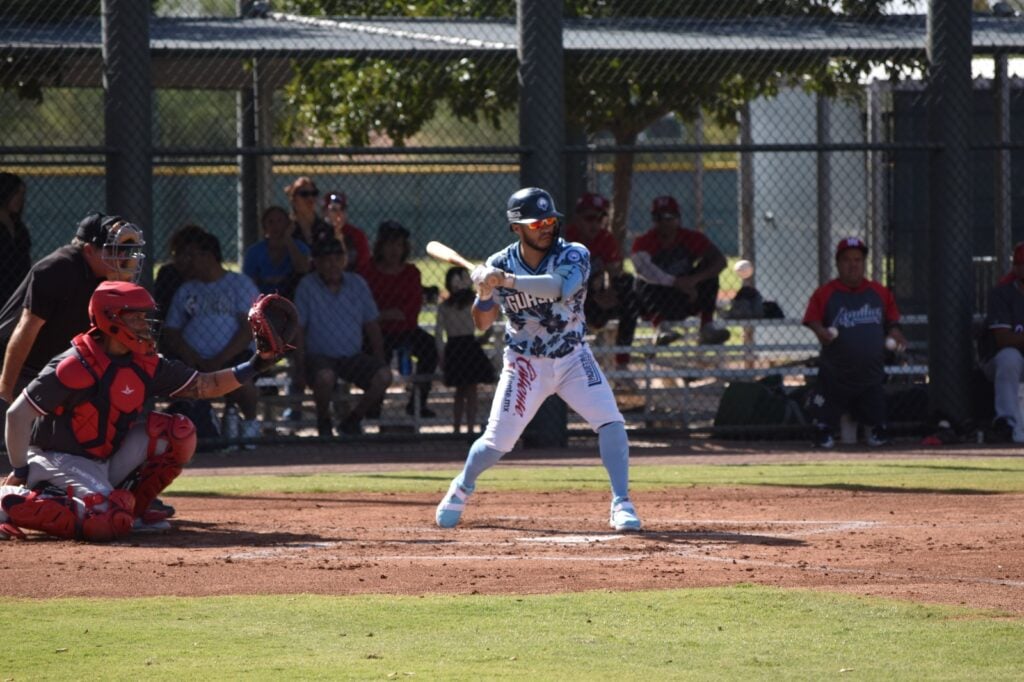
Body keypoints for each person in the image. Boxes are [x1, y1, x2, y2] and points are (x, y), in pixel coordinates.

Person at [0, 280, 283, 541]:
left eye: (144, 316)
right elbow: (17, 414)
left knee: (177, 432)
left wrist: (258, 363)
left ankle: (134, 508)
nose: (143, 324)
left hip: (102, 460)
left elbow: (204, 385)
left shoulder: (144, 362)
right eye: (134, 317)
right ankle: (10, 500)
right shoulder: (76, 364)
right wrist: (20, 469)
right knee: (108, 520)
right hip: (56, 459)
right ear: (110, 319)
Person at [435, 187, 642, 532]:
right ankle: (462, 486)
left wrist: (507, 281)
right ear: (517, 227)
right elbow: (482, 322)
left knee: (611, 422)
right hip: (524, 365)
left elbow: (558, 288)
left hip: (573, 357)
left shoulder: (574, 254)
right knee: (497, 442)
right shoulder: (499, 263)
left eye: (550, 220)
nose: (546, 227)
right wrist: (485, 292)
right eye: (537, 223)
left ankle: (622, 501)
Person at [0, 212, 144, 410]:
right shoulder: (58, 269)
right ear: (88, 250)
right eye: (113, 249)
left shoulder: (109, 276)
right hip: (19, 367)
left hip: (59, 369)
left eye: (125, 250)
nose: (122, 256)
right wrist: (5, 390)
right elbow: (26, 330)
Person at [802, 237, 906, 449]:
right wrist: (820, 330)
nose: (853, 264)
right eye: (847, 260)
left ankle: (876, 427)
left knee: (879, 435)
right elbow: (812, 318)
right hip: (835, 375)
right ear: (838, 263)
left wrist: (895, 333)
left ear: (864, 262)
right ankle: (823, 429)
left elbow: (892, 321)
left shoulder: (879, 292)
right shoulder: (826, 293)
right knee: (823, 433)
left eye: (858, 259)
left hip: (870, 375)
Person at [161, 231, 262, 447]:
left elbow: (248, 330)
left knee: (244, 384)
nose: (187, 262)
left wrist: (220, 359)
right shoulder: (186, 289)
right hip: (193, 359)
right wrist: (193, 357)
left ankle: (250, 427)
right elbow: (172, 332)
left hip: (232, 355)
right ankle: (204, 430)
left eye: (192, 255)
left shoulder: (239, 284)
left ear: (208, 256)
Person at [293, 237, 392, 437]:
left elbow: (371, 324)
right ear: (317, 263)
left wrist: (380, 357)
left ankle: (353, 420)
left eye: (338, 258)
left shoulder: (357, 284)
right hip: (319, 356)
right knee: (325, 376)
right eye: (326, 259)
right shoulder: (306, 286)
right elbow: (299, 329)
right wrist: (300, 365)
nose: (332, 264)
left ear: (344, 260)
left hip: (352, 356)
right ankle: (323, 420)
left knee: (384, 376)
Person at [631, 195, 730, 346]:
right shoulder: (644, 242)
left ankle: (706, 327)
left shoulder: (691, 237)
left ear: (678, 218)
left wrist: (693, 280)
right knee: (640, 281)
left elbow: (720, 261)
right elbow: (643, 270)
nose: (664, 222)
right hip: (659, 301)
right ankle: (660, 329)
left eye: (669, 217)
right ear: (653, 220)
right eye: (659, 217)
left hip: (687, 297)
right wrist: (676, 282)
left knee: (709, 272)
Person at [363, 221, 439, 418]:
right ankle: (373, 404)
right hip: (376, 331)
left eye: (398, 244)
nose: (394, 250)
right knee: (379, 353)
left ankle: (418, 402)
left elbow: (410, 312)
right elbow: (365, 309)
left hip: (405, 329)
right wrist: (384, 315)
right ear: (380, 246)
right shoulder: (368, 270)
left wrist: (382, 314)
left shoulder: (411, 273)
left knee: (430, 348)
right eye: (389, 244)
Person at [563, 191, 638, 371]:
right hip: (572, 301)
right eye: (589, 218)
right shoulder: (566, 238)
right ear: (578, 218)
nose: (595, 224)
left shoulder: (605, 238)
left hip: (598, 302)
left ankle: (622, 360)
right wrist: (592, 294)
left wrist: (610, 293)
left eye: (600, 218)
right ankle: (566, 361)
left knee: (627, 282)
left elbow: (614, 272)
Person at [436, 266, 496, 435]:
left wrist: (441, 355)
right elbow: (489, 321)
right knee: (470, 390)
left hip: (456, 347)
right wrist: (484, 338)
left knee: (462, 391)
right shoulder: (473, 302)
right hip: (468, 346)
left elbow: (439, 334)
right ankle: (467, 428)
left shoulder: (447, 306)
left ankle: (459, 428)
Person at [980, 242, 1024, 443]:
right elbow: (1003, 338)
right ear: (1016, 268)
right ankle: (1007, 422)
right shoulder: (1002, 294)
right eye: (1022, 264)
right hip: (999, 362)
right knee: (1010, 357)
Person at [243, 205, 311, 299]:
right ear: (264, 227)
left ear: (288, 224)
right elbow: (249, 281)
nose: (275, 226)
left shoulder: (299, 246)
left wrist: (288, 239)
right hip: (262, 298)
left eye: (280, 221)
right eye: (270, 222)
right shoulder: (254, 251)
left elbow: (303, 268)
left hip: (294, 297)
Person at [154, 223, 208, 324]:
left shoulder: (208, 275)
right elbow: (161, 308)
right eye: (178, 253)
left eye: (191, 254)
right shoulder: (168, 274)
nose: (182, 259)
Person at [0, 172, 32, 306]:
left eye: (22, 194)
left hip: (18, 289)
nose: (20, 198)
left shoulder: (18, 226)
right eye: (16, 193)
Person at [323, 191, 371, 275]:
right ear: (325, 212)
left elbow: (364, 263)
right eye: (334, 210)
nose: (339, 214)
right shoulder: (320, 232)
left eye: (342, 209)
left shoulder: (357, 235)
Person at [284, 176, 332, 247]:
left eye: (314, 193)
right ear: (294, 200)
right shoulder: (286, 228)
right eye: (304, 194)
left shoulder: (326, 228)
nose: (310, 198)